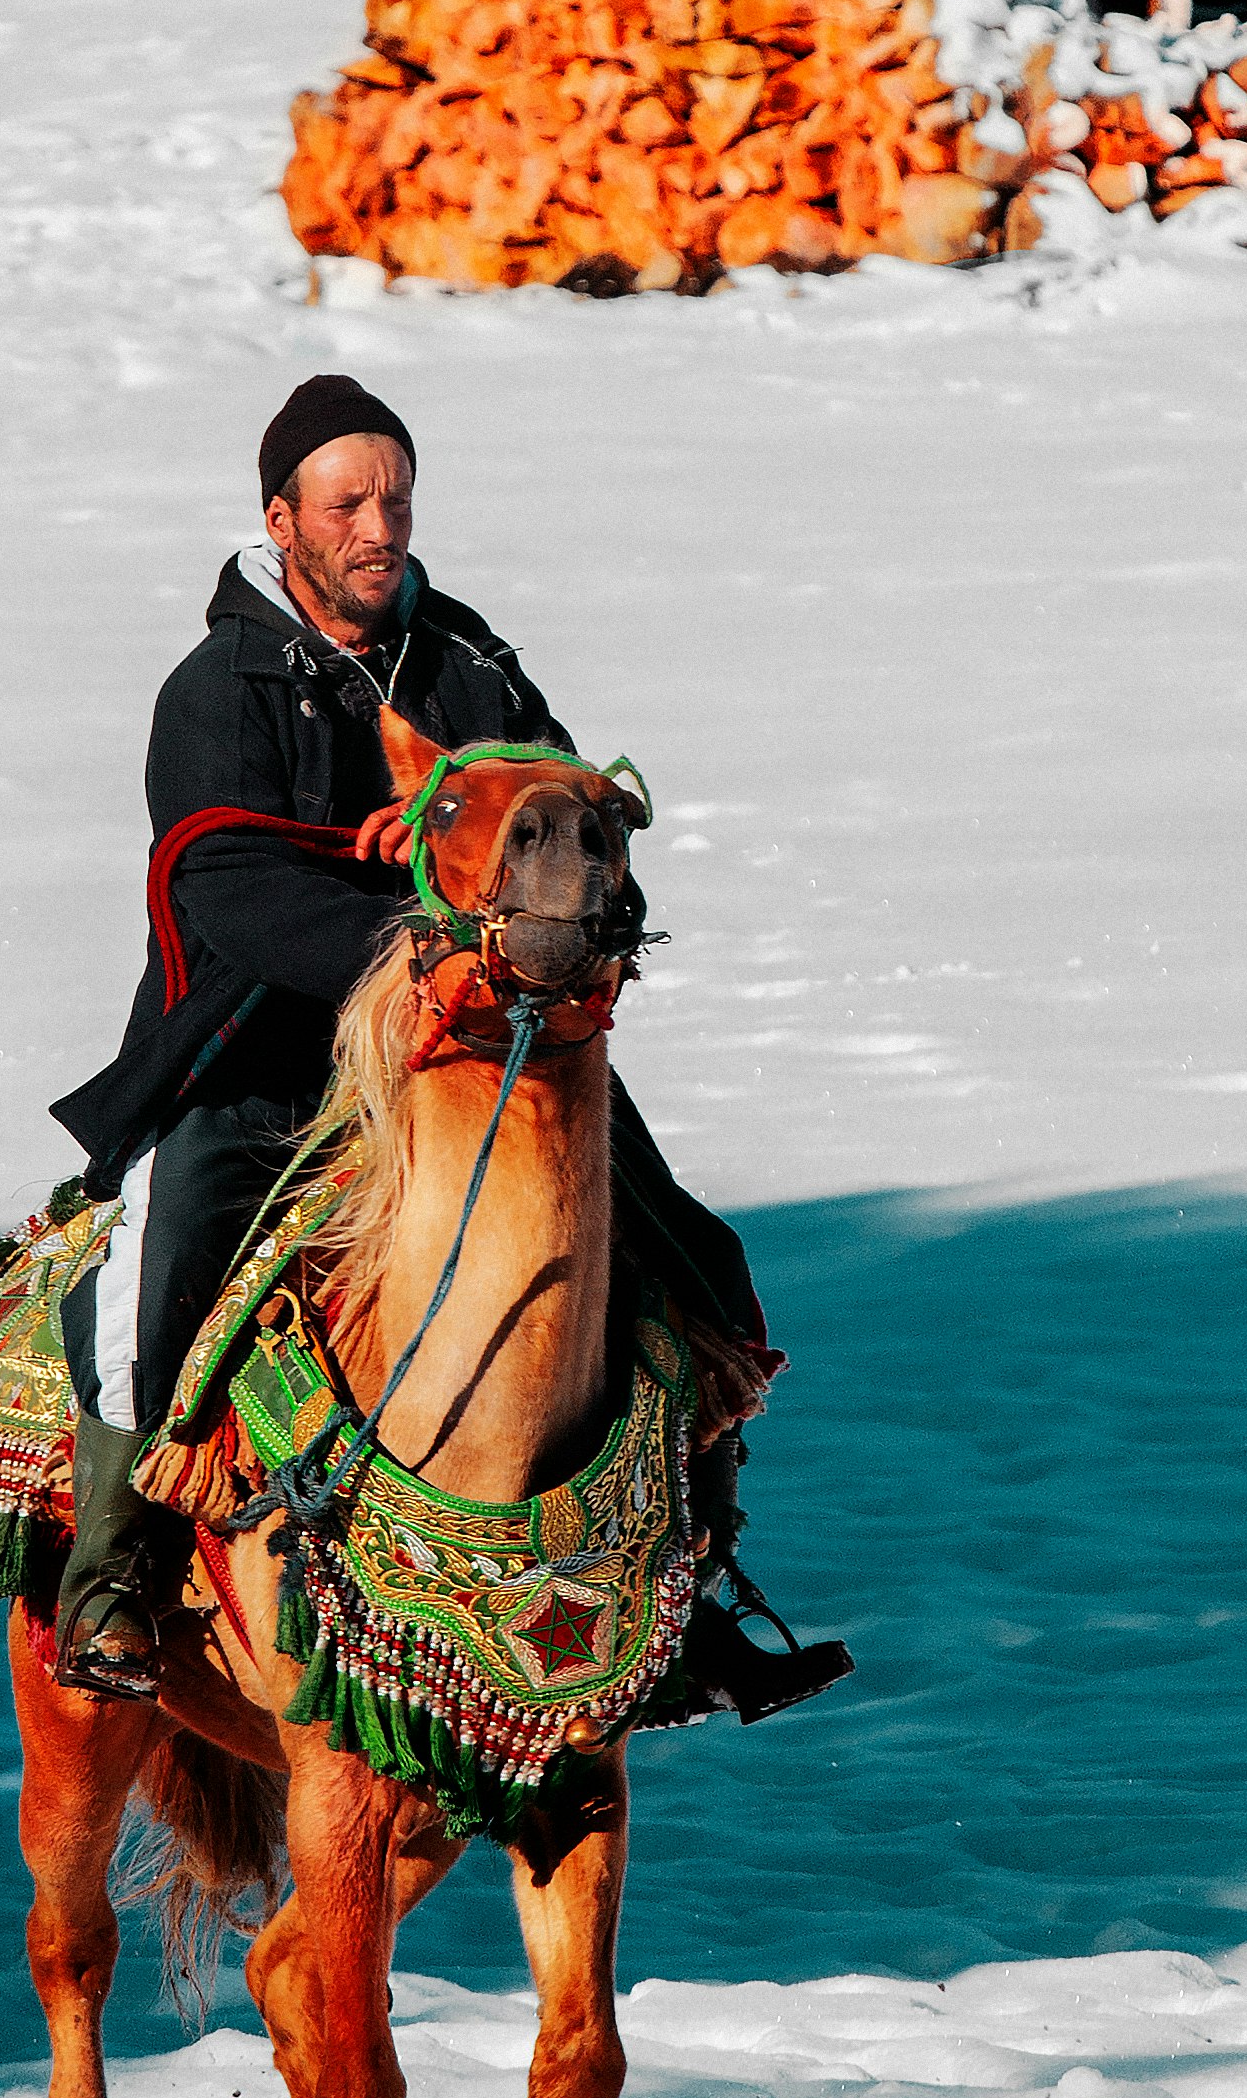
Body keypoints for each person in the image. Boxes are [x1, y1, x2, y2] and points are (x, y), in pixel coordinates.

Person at [45, 372, 767, 1702]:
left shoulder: (466, 661)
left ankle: (692, 1574)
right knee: (171, 1246)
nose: (380, 527)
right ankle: (117, 1571)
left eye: (396, 496)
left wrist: (584, 909)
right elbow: (232, 889)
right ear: (283, 518)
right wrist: (412, 955)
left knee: (693, 1259)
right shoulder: (217, 691)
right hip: (268, 1045)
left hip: (485, 1044)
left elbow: (567, 818)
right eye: (347, 502)